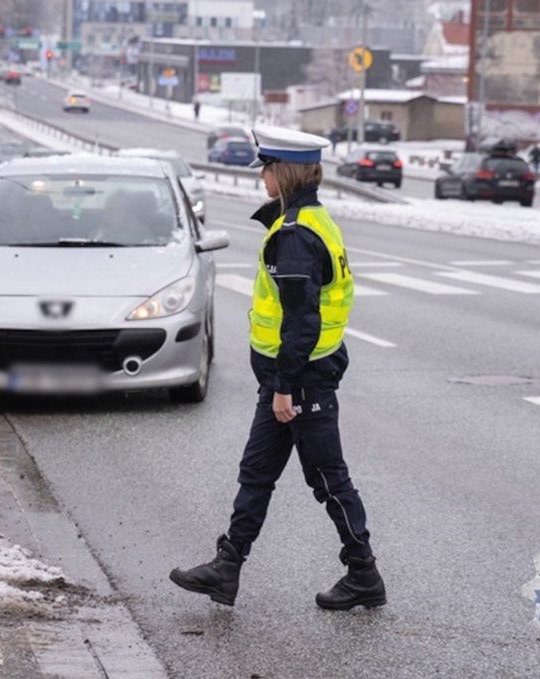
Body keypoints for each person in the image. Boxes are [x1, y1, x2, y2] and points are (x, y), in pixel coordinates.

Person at [169, 125, 386, 610]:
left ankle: (364, 574)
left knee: (328, 479)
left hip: (300, 379)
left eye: (266, 168)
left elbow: (302, 321)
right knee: (257, 472)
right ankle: (227, 568)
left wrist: (284, 387)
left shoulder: (295, 237)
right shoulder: (307, 221)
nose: (261, 177)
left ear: (281, 171)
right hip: (290, 378)